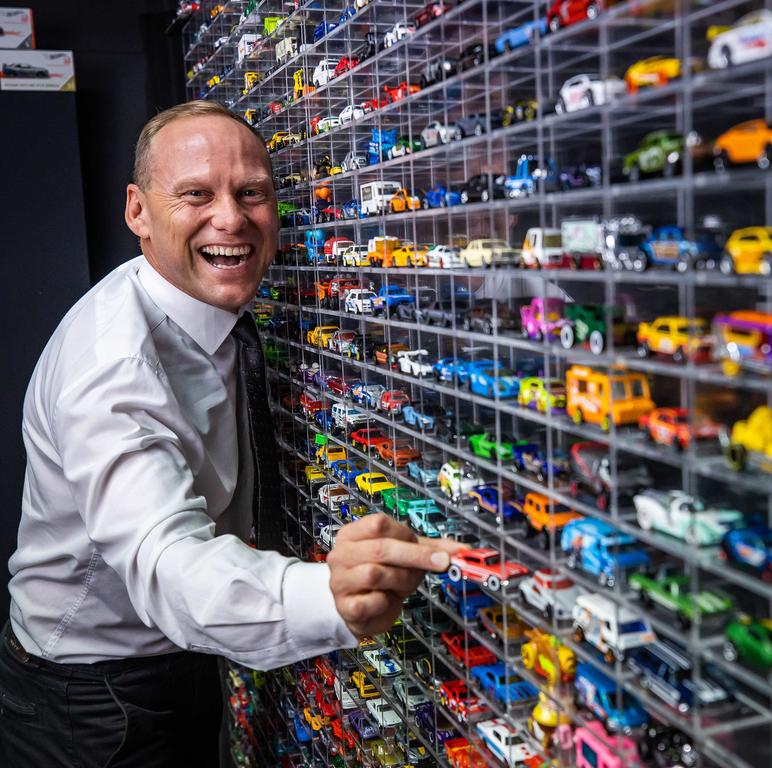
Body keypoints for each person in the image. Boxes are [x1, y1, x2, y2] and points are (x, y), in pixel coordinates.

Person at [0, 100, 462, 767]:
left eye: (252, 193)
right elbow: (168, 565)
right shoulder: (112, 369)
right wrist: (326, 596)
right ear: (137, 211)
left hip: (184, 655)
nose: (231, 218)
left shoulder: (208, 308)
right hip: (88, 699)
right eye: (195, 194)